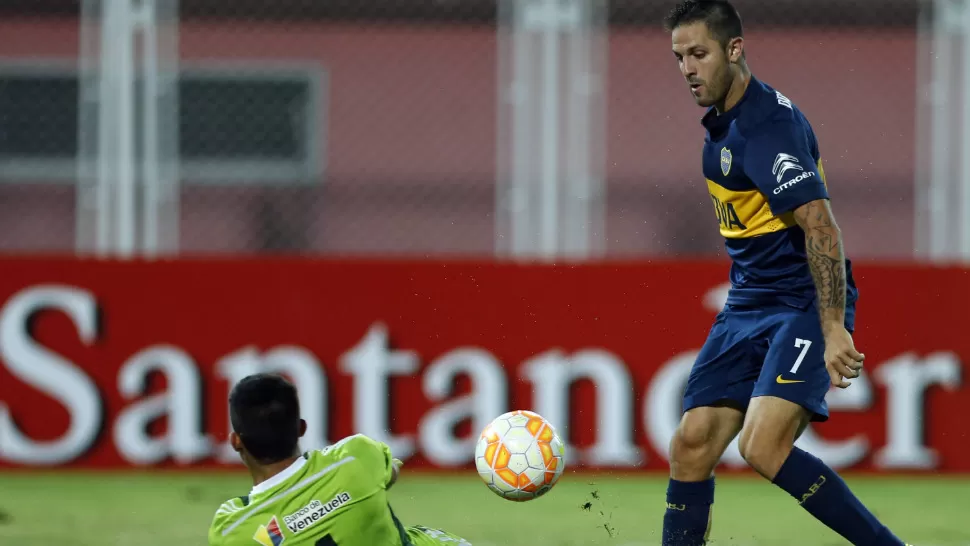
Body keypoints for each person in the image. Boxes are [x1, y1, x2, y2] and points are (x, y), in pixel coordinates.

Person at [661, 2, 912, 545]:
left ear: (735, 49)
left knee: (762, 446)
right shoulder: (725, 122)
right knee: (693, 442)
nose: (687, 69)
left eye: (699, 54)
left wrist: (832, 327)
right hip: (749, 301)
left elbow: (821, 228)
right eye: (679, 57)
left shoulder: (766, 127)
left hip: (801, 300)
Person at [208, 373, 470, 546]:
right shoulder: (356, 457)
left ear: (235, 441)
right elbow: (390, 474)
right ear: (301, 428)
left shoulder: (232, 530)